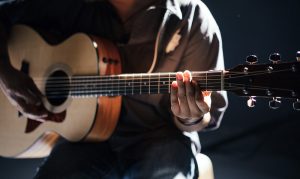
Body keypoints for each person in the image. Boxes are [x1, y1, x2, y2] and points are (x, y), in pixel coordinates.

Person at [0, 0, 227, 178]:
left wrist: (191, 115)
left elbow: (206, 115)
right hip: (84, 142)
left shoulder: (192, 17)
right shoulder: (69, 5)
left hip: (160, 138)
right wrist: (6, 74)